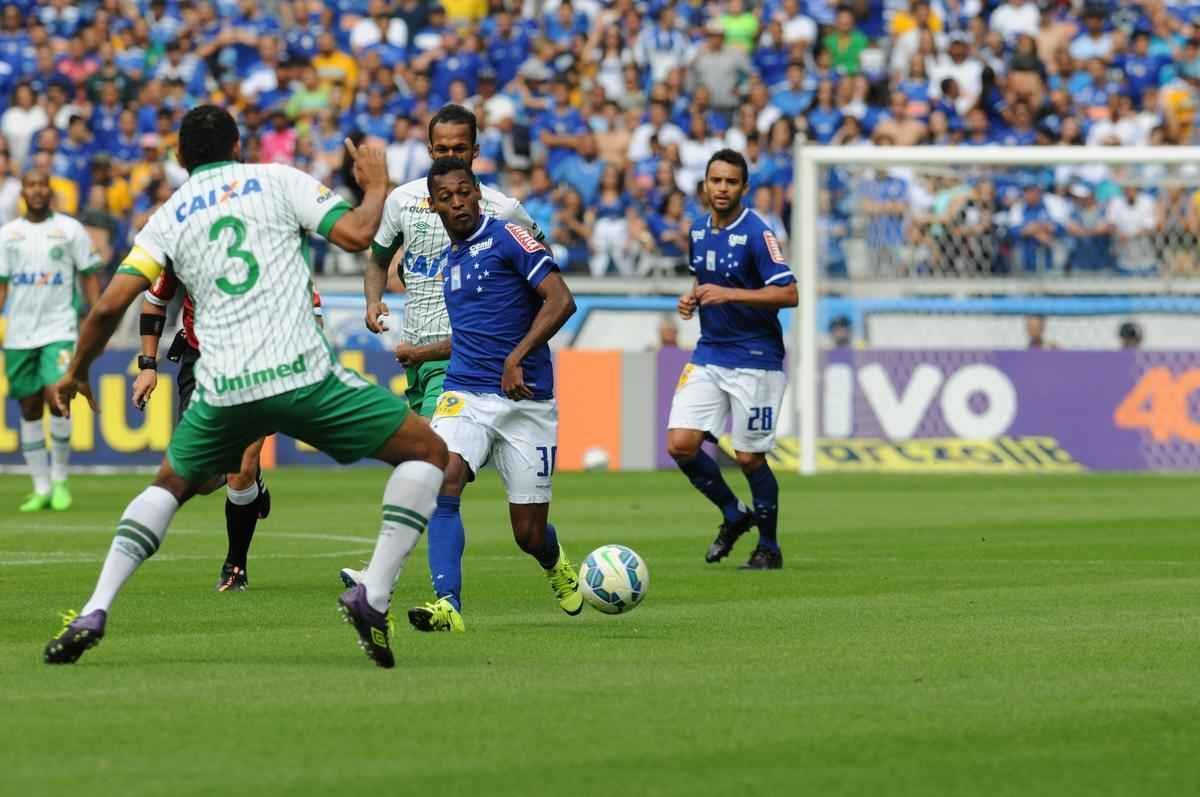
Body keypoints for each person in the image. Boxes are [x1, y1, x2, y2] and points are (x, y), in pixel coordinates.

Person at [42, 106, 447, 669]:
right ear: (237, 145)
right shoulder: (277, 179)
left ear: (181, 158)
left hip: (223, 385)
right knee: (429, 453)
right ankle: (373, 595)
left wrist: (77, 369)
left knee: (170, 484)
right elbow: (356, 234)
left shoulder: (167, 215)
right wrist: (376, 185)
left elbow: (111, 303)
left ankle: (95, 607)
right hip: (303, 375)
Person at [344, 105, 544, 627]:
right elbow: (376, 256)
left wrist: (512, 335)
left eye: (460, 149)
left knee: (436, 472)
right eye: (441, 150)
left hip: (465, 360)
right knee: (433, 475)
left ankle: (384, 582)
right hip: (418, 353)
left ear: (475, 152)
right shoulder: (405, 202)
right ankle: (548, 560)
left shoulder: (504, 210)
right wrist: (372, 301)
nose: (450, 157)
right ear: (429, 151)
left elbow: (541, 268)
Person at [408, 156, 582, 631]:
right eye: (447, 197)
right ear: (434, 205)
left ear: (477, 190)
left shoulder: (508, 236)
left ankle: (554, 562)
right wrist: (425, 354)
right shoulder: (451, 262)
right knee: (443, 476)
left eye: (464, 191)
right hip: (466, 392)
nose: (458, 202)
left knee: (528, 534)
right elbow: (473, 335)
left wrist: (517, 356)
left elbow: (561, 299)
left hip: (528, 401)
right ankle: (448, 604)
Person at [128, 267, 322, 591]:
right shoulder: (184, 237)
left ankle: (236, 565)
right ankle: (253, 482)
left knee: (240, 469)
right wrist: (148, 366)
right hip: (201, 361)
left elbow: (309, 305)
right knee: (199, 480)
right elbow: (154, 301)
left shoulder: (272, 236)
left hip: (262, 364)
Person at [667, 149, 797, 570]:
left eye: (731, 182)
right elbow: (704, 280)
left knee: (749, 457)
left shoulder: (759, 233)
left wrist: (731, 294)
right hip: (710, 352)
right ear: (705, 185)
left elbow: (789, 293)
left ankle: (769, 548)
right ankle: (731, 513)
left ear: (744, 188)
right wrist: (692, 298)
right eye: (715, 181)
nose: (722, 188)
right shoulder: (698, 231)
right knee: (680, 444)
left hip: (756, 358)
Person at [0, 169, 102, 512]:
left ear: (50, 191)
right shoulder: (8, 235)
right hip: (19, 333)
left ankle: (60, 480)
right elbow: (2, 287)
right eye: (32, 185)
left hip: (60, 328)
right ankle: (40, 487)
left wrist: (95, 317)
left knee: (57, 397)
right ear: (24, 192)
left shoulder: (69, 229)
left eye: (43, 185)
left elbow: (88, 276)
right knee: (28, 407)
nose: (38, 190)